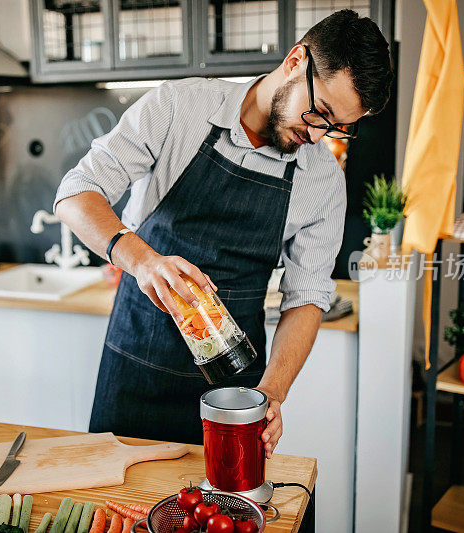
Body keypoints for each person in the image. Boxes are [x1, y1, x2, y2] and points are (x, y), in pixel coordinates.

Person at [54, 10, 393, 455]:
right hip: (138, 366)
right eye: (319, 113)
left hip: (234, 393)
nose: (316, 135)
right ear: (295, 61)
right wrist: (141, 260)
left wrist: (272, 392)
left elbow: (307, 296)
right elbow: (76, 192)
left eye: (335, 128)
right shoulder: (179, 108)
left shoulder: (322, 181)